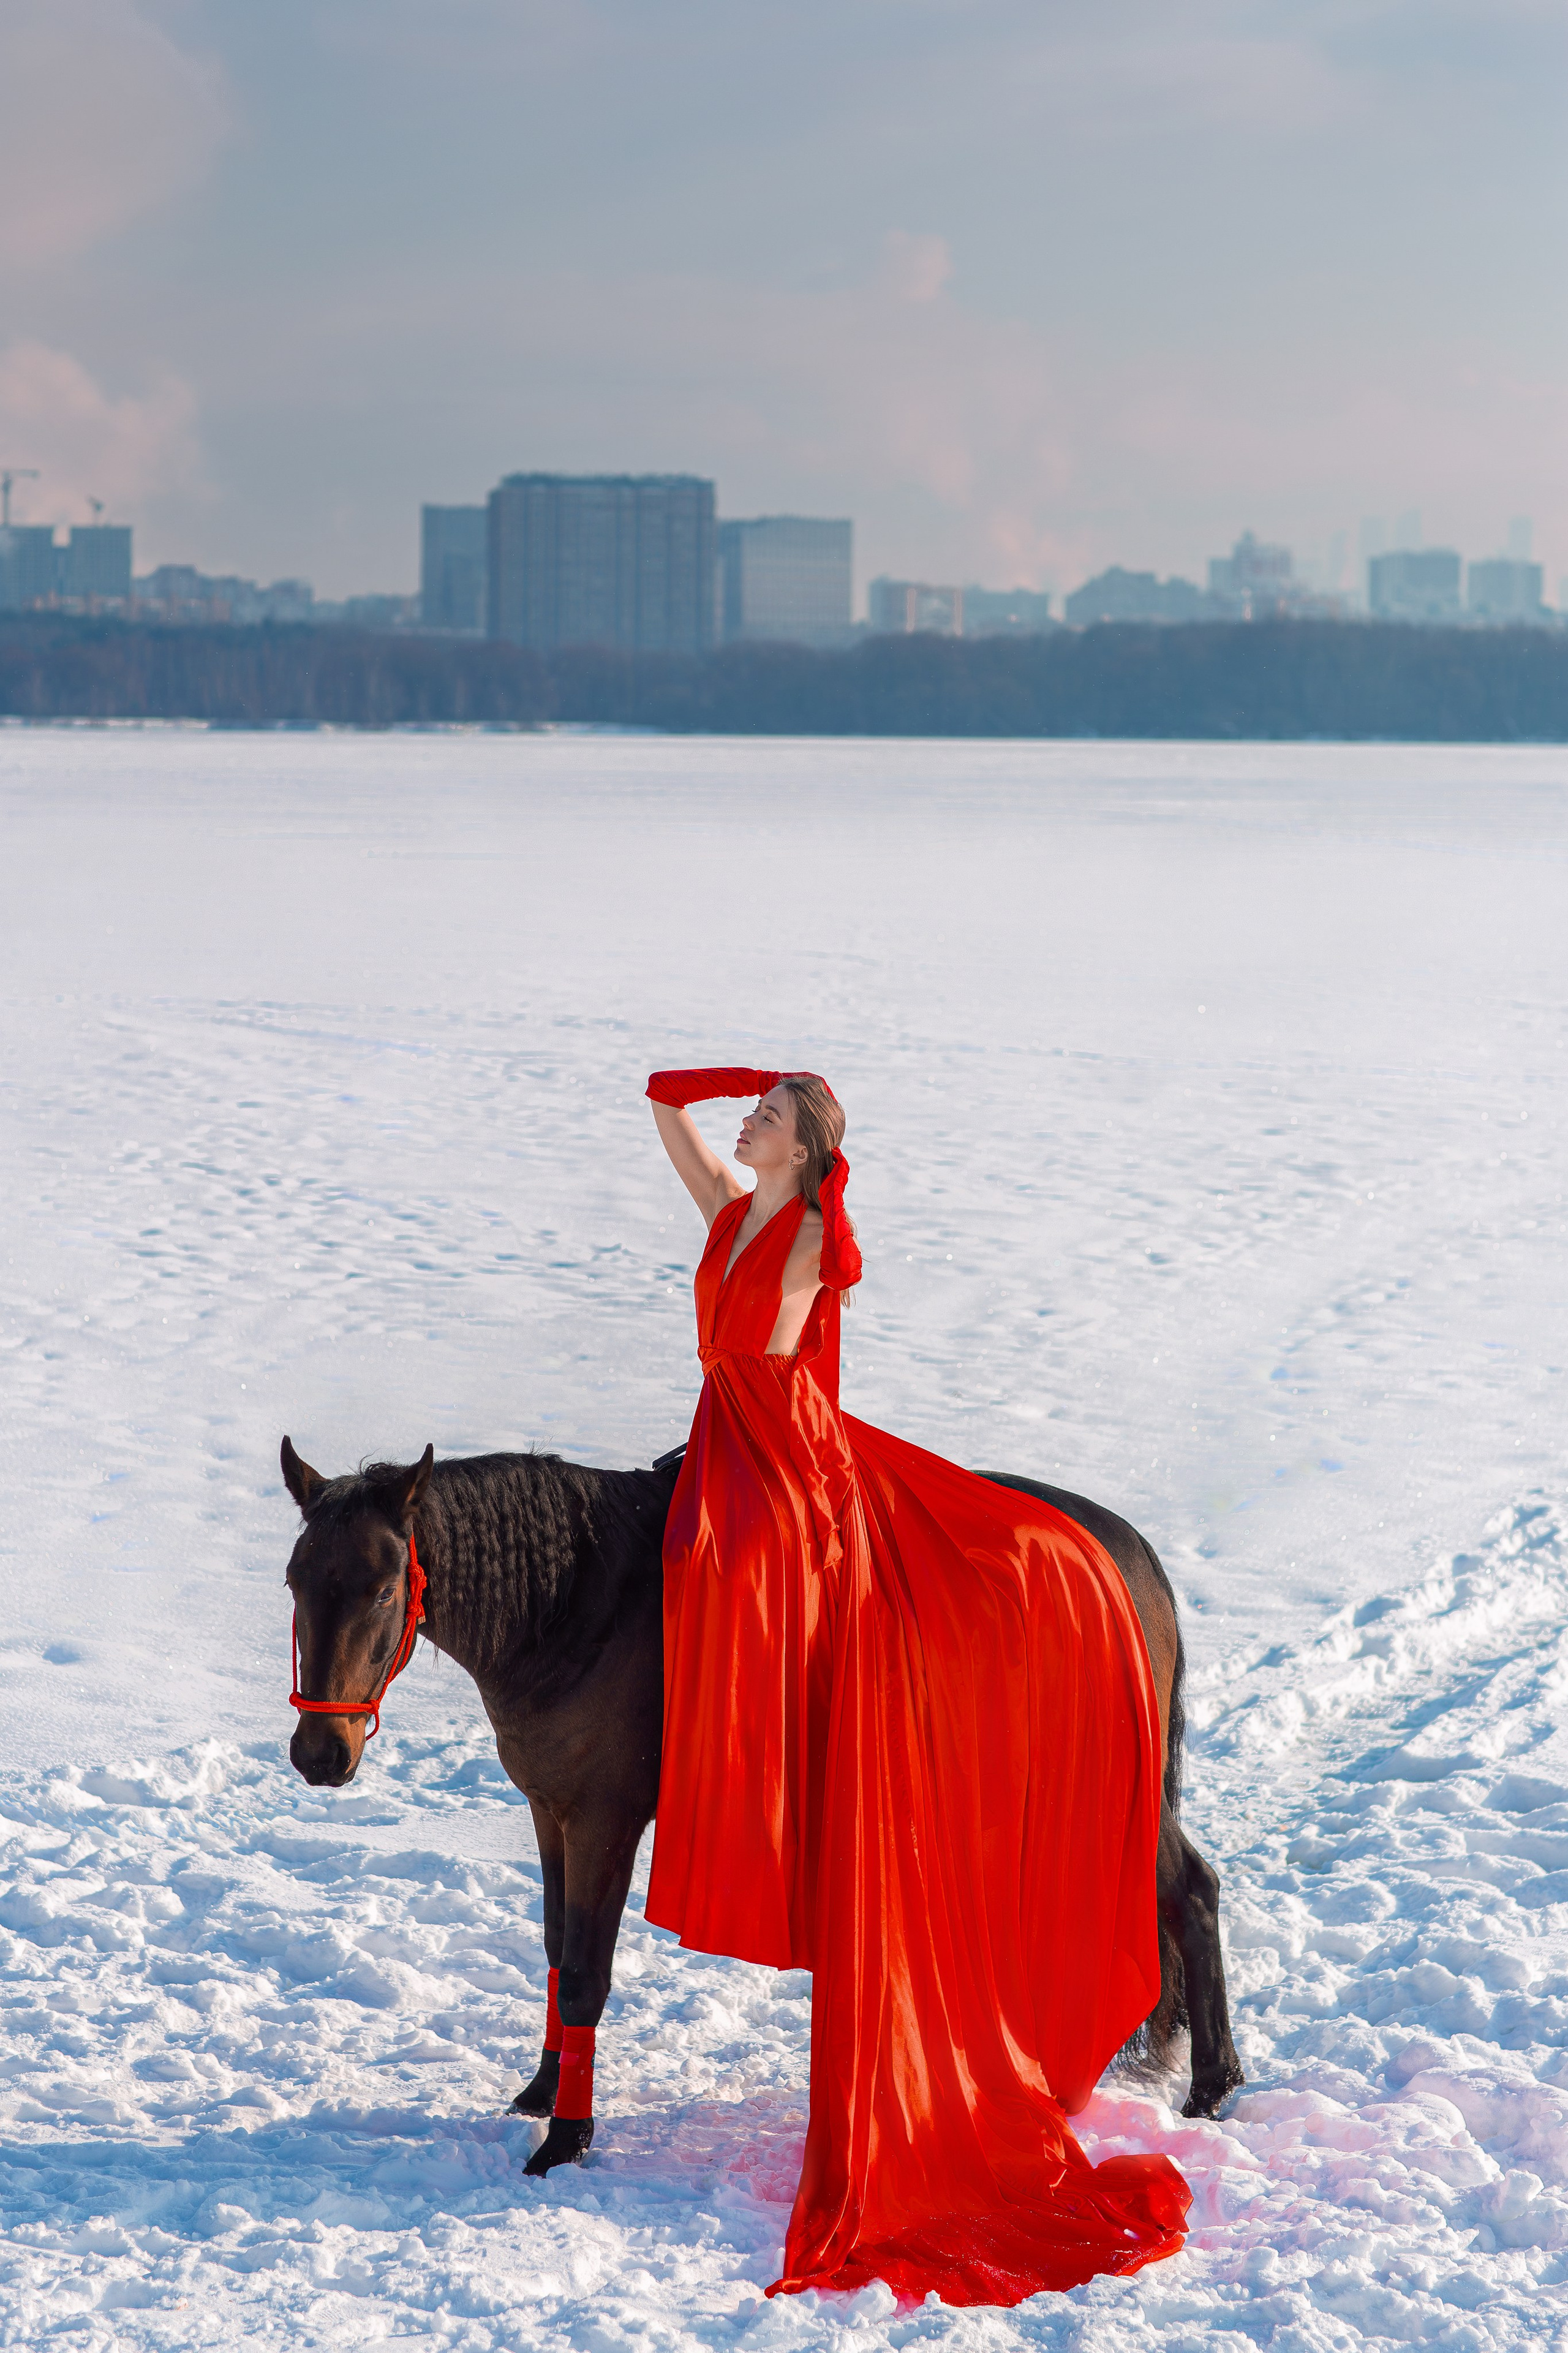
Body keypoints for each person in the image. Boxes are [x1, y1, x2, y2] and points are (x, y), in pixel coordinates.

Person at [643, 1065, 1191, 2307]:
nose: (747, 1128)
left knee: (734, 1566)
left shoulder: (803, 1233)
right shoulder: (736, 1207)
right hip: (731, 1422)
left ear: (804, 1144)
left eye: (766, 1119)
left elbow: (771, 1357)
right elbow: (663, 1110)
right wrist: (726, 1084)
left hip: (779, 1443)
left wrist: (803, 1182)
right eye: (754, 1118)